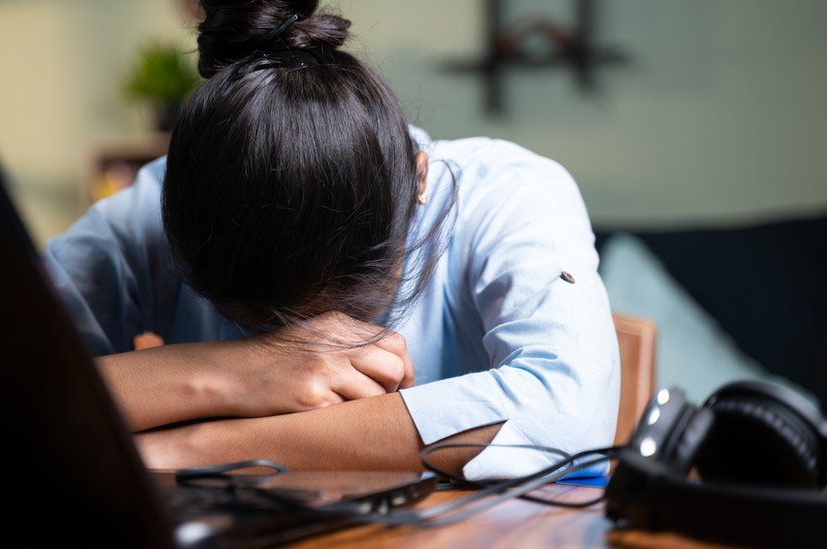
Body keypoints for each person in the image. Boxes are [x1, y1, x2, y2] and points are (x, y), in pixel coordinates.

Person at [45, 0, 620, 481]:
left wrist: (189, 450)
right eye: (252, 320)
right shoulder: (155, 208)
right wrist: (236, 369)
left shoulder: (505, 194)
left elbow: (569, 412)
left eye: (346, 308)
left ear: (418, 182)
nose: (313, 345)